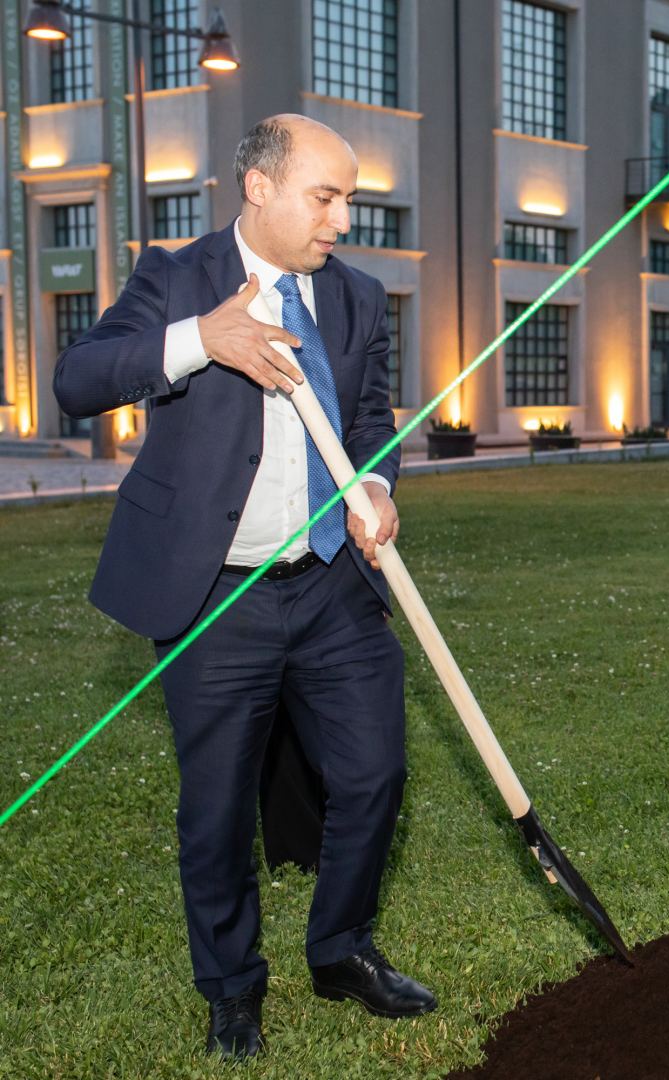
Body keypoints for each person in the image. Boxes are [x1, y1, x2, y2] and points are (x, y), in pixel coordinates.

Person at [53, 115, 434, 1060]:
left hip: (332, 586)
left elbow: (372, 417)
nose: (343, 219)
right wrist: (200, 339)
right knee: (218, 807)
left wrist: (375, 483)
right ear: (259, 187)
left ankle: (341, 949)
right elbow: (77, 380)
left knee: (375, 772)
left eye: (349, 199)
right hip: (214, 597)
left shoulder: (355, 295)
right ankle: (231, 990)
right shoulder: (174, 278)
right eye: (326, 197)